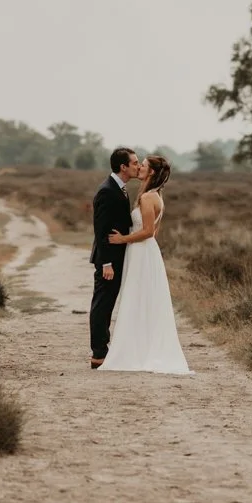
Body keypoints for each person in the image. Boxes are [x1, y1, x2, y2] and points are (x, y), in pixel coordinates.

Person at [97, 154, 192, 375]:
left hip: (141, 252)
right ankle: (140, 348)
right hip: (143, 252)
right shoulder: (154, 195)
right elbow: (154, 233)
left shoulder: (148, 198)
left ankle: (136, 352)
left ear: (150, 173)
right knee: (142, 300)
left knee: (136, 298)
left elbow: (149, 232)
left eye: (144, 166)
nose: (139, 167)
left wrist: (123, 239)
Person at [88, 147, 138, 369]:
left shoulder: (121, 188)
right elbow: (100, 230)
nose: (138, 166)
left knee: (108, 303)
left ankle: (103, 349)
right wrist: (106, 263)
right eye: (135, 163)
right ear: (123, 167)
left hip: (117, 257)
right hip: (108, 260)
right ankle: (98, 353)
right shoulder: (107, 191)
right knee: (102, 304)